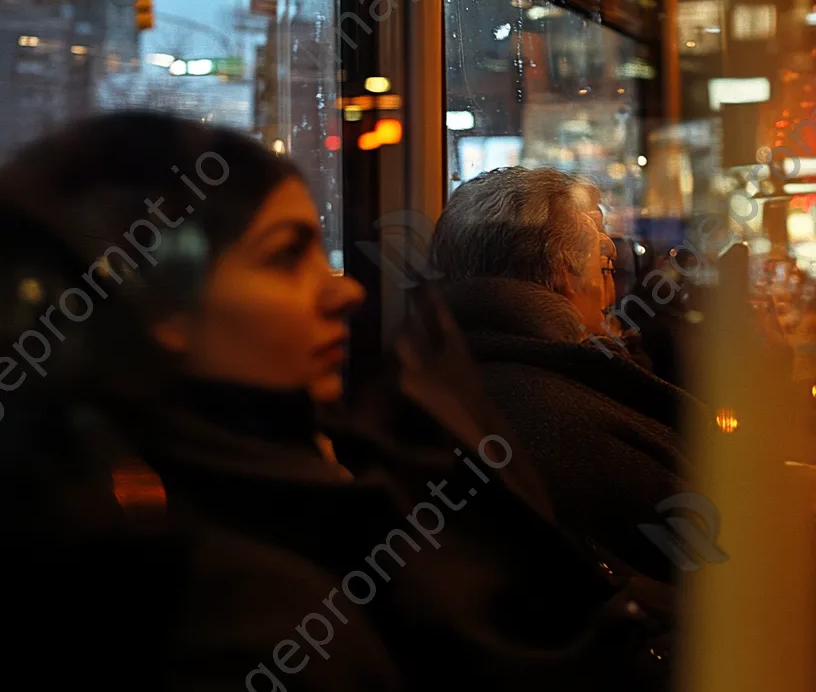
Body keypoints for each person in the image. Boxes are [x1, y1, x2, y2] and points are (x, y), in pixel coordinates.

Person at [0, 112, 668, 691]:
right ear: (154, 303)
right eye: (286, 256)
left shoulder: (319, 470)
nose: (344, 292)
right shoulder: (224, 610)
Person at [428, 165, 711, 581]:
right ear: (564, 272)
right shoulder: (561, 416)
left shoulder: (447, 380)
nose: (612, 294)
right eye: (606, 267)